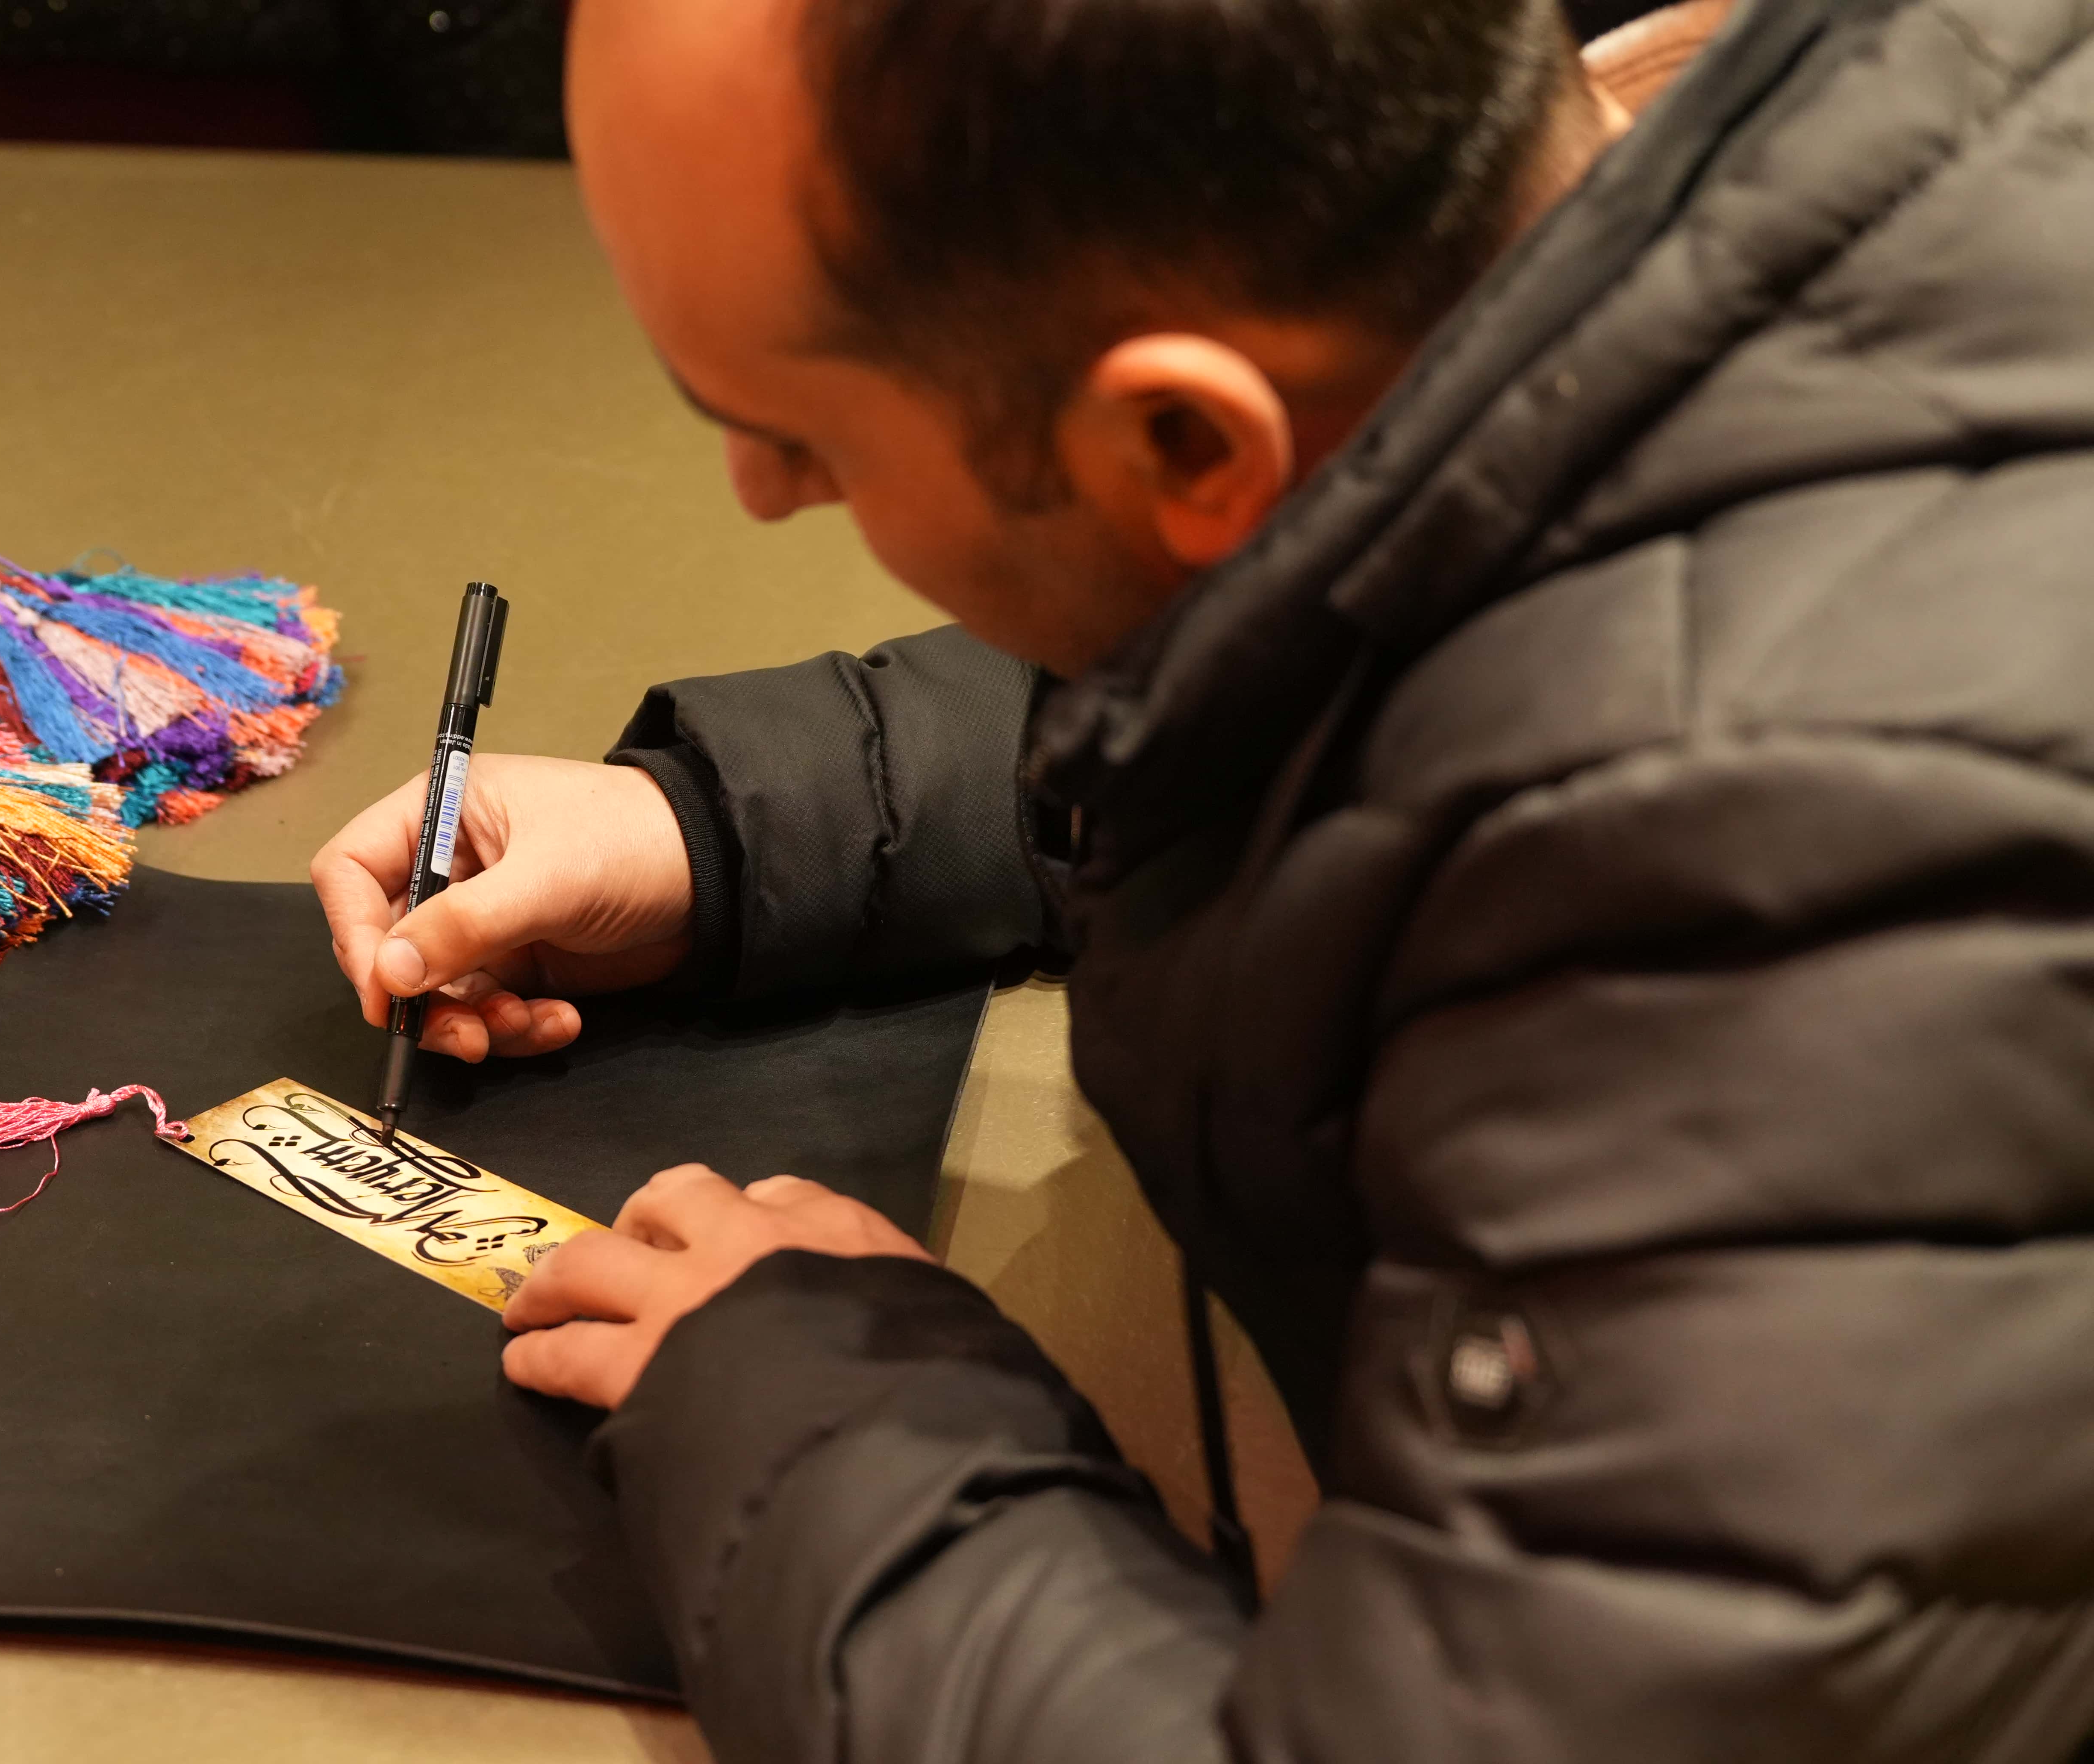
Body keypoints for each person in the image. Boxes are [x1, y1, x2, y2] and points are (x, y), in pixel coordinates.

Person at [313, 0, 2094, 1755]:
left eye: (804, 436)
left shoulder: (1778, 952)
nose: (759, 493)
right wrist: (736, 825)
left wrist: (828, 1443)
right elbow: (1318, 588)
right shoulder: (1738, 183)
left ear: (1180, 444)